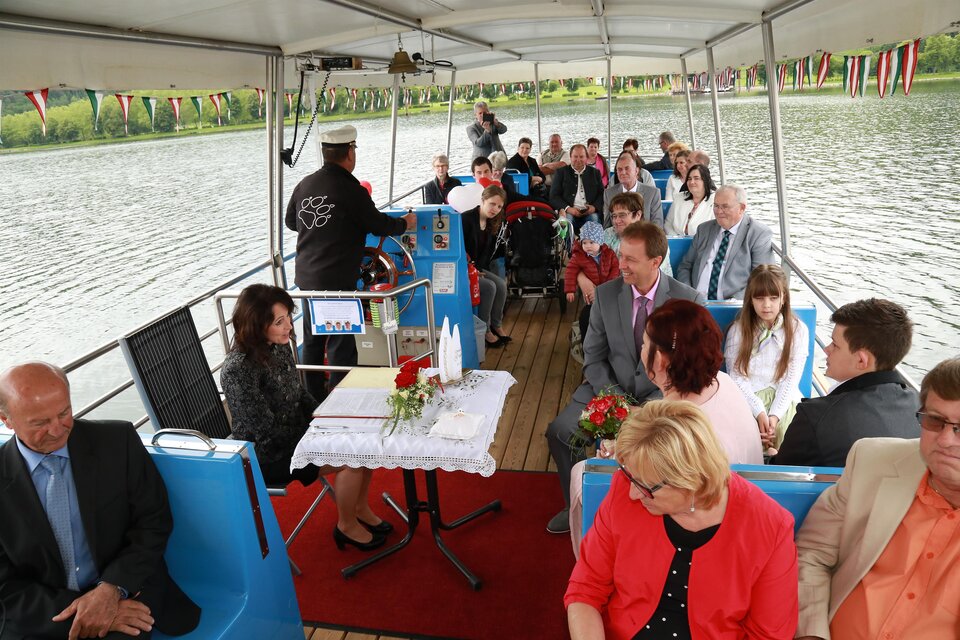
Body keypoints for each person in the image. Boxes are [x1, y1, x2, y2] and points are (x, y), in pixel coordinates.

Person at [565, 400, 798, 640]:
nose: (633, 493)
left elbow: (768, 635)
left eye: (646, 487)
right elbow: (586, 589)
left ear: (690, 481)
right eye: (630, 477)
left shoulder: (770, 527)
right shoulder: (624, 489)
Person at [0, 362, 201, 639]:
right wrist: (84, 611)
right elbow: (4, 584)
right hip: (42, 613)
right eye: (40, 423)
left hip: (127, 590)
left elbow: (153, 522)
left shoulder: (118, 441)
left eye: (64, 413)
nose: (58, 430)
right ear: (6, 420)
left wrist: (111, 589)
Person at [568, 298, 765, 553]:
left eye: (645, 344)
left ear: (660, 360)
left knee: (582, 473)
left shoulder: (677, 431)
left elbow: (660, 475)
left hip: (697, 534)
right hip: (739, 511)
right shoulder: (723, 382)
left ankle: (590, 557)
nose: (641, 349)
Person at [545, 221, 704, 534]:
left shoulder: (687, 302)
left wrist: (648, 409)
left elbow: (685, 371)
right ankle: (575, 503)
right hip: (606, 388)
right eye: (621, 255)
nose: (621, 264)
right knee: (561, 431)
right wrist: (614, 400)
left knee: (652, 445)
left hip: (661, 398)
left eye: (630, 259)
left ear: (655, 262)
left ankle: (641, 512)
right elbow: (593, 355)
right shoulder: (606, 295)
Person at [795, 357, 960, 640]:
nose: (945, 440)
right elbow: (811, 555)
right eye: (935, 421)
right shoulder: (871, 461)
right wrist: (811, 633)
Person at [220, 284, 391, 551]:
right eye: (280, 321)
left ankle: (359, 508)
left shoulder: (277, 345)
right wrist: (317, 434)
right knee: (352, 457)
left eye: (288, 316)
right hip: (264, 455)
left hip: (296, 435)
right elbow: (266, 432)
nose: (289, 326)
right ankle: (346, 525)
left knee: (363, 443)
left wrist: (324, 415)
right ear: (256, 325)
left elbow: (297, 392)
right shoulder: (238, 370)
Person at [285, 125, 416, 402]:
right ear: (350, 153)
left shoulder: (305, 184)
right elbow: (378, 224)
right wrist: (406, 223)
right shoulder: (351, 189)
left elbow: (290, 222)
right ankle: (340, 398)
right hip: (336, 281)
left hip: (307, 278)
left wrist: (322, 229)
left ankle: (313, 396)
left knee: (313, 338)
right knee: (341, 340)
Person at [772, 298, 919, 467]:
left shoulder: (815, 417)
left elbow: (780, 472)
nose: (826, 349)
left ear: (861, 361)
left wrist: (771, 456)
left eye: (835, 345)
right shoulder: (921, 408)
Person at [725, 265, 810, 452]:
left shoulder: (798, 330)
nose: (766, 305)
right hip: (748, 396)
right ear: (750, 299)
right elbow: (737, 376)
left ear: (783, 298)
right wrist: (759, 412)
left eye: (773, 298)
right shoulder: (738, 331)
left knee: (790, 437)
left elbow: (791, 379)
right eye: (759, 298)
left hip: (785, 399)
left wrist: (775, 416)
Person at [676, 184, 774, 300]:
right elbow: (685, 266)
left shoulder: (758, 234)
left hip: (735, 306)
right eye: (716, 206)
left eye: (725, 207)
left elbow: (762, 279)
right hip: (695, 303)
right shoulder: (704, 229)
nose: (719, 211)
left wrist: (734, 303)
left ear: (741, 208)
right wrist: (689, 294)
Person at [462, 185, 511, 347]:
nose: (495, 209)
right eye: (492, 204)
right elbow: (460, 250)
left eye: (499, 206)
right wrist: (472, 270)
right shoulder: (466, 219)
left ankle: (496, 325)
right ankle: (484, 330)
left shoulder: (493, 222)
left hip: (478, 267)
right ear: (482, 200)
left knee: (502, 285)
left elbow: (487, 252)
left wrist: (478, 269)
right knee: (489, 287)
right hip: (463, 269)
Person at [564, 220, 619, 341]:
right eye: (584, 243)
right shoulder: (578, 256)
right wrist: (570, 290)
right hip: (589, 292)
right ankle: (591, 337)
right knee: (591, 313)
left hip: (605, 289)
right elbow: (570, 271)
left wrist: (606, 287)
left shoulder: (609, 254)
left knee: (606, 311)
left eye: (591, 242)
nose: (587, 246)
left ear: (600, 241)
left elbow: (615, 270)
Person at [600, 192, 673, 276]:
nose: (617, 221)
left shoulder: (653, 238)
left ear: (638, 214)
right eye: (614, 216)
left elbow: (652, 276)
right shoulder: (607, 234)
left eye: (622, 215)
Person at [549, 144, 604, 236]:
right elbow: (553, 196)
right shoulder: (561, 172)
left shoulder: (595, 173)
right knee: (564, 224)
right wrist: (568, 208)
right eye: (575, 156)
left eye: (581, 156)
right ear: (570, 157)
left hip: (589, 212)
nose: (578, 160)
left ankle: (592, 249)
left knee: (594, 219)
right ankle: (567, 249)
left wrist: (594, 207)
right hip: (569, 211)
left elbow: (602, 194)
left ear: (586, 157)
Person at [602, 150, 663, 228]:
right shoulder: (609, 193)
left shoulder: (653, 193)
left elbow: (657, 227)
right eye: (620, 169)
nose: (623, 172)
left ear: (636, 171)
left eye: (627, 168)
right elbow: (607, 226)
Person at [663, 163, 716, 236]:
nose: (692, 182)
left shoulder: (715, 200)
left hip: (703, 244)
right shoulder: (679, 198)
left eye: (696, 178)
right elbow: (668, 224)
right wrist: (676, 239)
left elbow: (715, 230)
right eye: (689, 179)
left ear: (705, 180)